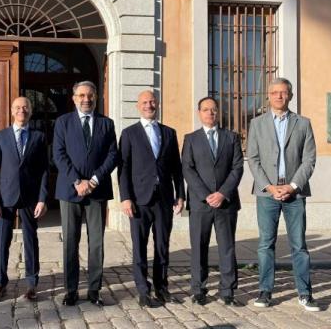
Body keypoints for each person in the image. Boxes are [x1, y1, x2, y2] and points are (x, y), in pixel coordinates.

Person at [247, 77, 320, 312]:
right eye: (275, 92)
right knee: (265, 244)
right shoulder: (256, 124)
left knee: (299, 245)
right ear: (268, 96)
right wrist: (269, 186)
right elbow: (254, 159)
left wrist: (293, 185)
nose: (279, 96)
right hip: (267, 193)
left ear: (290, 95)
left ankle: (305, 293)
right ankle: (265, 290)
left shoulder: (303, 123)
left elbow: (309, 160)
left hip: (294, 195)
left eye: (284, 92)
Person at [53, 81, 118, 306]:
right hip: (69, 191)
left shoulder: (106, 123)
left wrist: (93, 180)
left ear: (96, 97)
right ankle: (71, 290)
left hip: (97, 190)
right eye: (81, 95)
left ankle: (94, 289)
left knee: (96, 243)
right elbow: (58, 155)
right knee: (70, 242)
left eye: (90, 95)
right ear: (73, 98)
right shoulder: (62, 122)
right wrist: (77, 181)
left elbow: (112, 155)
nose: (86, 99)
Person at [118, 90, 185, 308]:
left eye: (152, 101)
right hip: (138, 200)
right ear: (138, 106)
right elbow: (124, 168)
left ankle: (161, 286)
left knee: (162, 245)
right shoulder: (129, 134)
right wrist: (125, 197)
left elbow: (176, 167)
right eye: (145, 102)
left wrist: (181, 195)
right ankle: (142, 289)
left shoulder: (169, 133)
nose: (149, 105)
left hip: (164, 199)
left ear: (157, 104)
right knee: (140, 246)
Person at [181, 97, 244, 306]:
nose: (210, 113)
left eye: (214, 110)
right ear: (199, 112)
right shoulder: (191, 139)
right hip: (201, 204)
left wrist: (222, 193)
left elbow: (237, 167)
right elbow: (187, 169)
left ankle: (228, 291)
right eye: (206, 110)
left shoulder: (231, 137)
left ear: (219, 113)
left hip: (226, 203)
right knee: (199, 247)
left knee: (227, 247)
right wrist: (206, 195)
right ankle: (198, 290)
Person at [0, 97, 49, 302]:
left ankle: (32, 283)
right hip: (5, 197)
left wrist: (42, 198)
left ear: (30, 111)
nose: (21, 110)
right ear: (12, 111)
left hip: (31, 197)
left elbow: (44, 171)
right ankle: (0, 282)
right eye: (17, 107)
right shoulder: (1, 136)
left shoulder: (39, 137)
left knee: (31, 240)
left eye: (25, 107)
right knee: (2, 241)